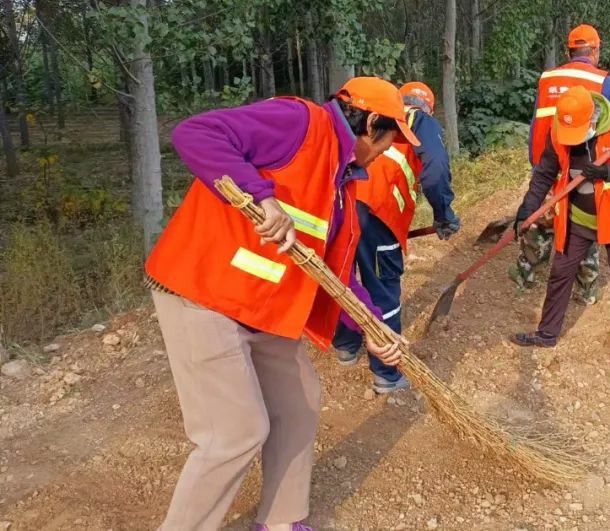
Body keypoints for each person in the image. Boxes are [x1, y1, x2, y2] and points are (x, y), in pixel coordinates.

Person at [143, 77, 414, 530]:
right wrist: (262, 198)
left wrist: (372, 327)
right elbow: (194, 133)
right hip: (204, 293)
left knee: (299, 403)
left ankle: (281, 521)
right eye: (389, 140)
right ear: (371, 124)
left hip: (261, 306)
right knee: (235, 432)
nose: (389, 151)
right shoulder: (298, 123)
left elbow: (337, 273)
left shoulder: (341, 181)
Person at [332, 81, 460, 392]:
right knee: (383, 287)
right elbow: (436, 168)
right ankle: (387, 373)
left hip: (342, 199)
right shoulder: (419, 120)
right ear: (426, 106)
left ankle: (347, 345)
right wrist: (444, 214)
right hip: (378, 212)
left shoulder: (369, 115)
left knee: (341, 273)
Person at [510, 85, 610, 366]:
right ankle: (547, 333)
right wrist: (527, 208)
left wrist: (608, 171)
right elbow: (545, 173)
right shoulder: (558, 128)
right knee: (561, 272)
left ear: (592, 117)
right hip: (578, 218)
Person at [513, 24, 610, 304]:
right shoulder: (603, 81)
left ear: (569, 50)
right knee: (582, 224)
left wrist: (536, 162)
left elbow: (535, 124)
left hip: (546, 161)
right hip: (582, 167)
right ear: (595, 50)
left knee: (540, 216)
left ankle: (526, 273)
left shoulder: (547, 78)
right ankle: (586, 289)